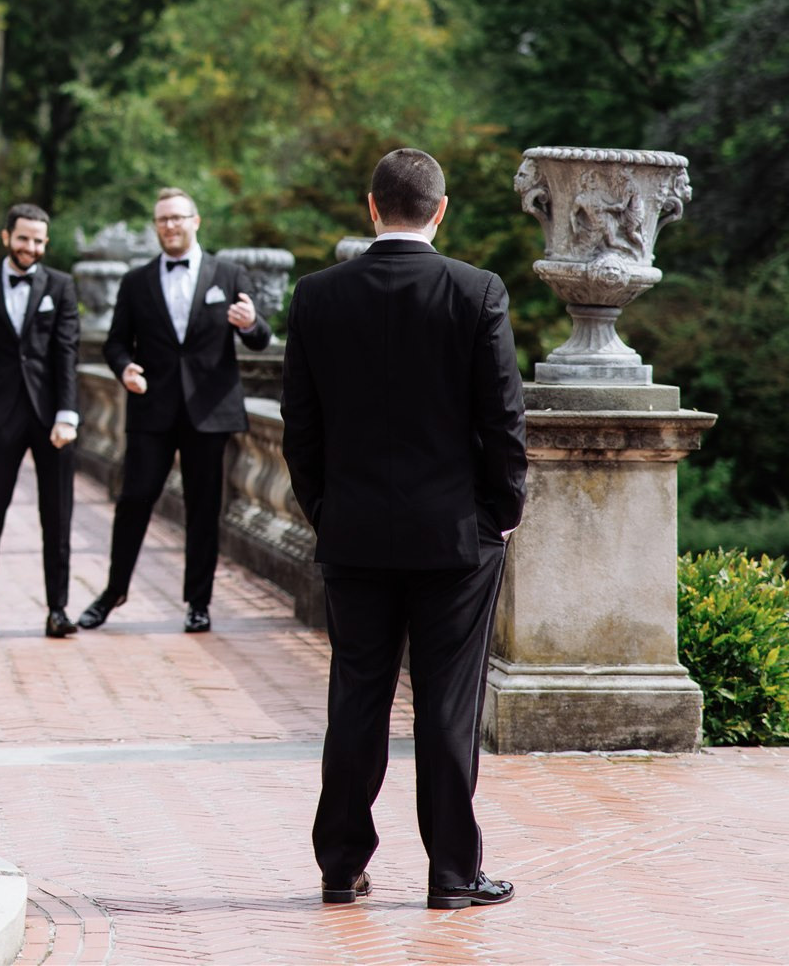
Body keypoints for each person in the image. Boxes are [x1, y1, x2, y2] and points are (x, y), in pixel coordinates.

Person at [281, 148, 528, 911]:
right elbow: (502, 419)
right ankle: (452, 871)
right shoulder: (476, 290)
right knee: (447, 706)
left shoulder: (318, 295)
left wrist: (326, 510)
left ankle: (340, 863)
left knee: (357, 697)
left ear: (371, 205)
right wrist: (503, 512)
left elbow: (301, 427)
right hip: (455, 537)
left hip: (354, 532)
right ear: (441, 209)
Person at [80, 187, 272, 634]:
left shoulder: (230, 273)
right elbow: (113, 343)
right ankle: (114, 591)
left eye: (177, 218)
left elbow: (261, 339)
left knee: (204, 509)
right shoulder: (136, 281)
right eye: (162, 219)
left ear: (196, 221)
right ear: (156, 227)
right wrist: (125, 368)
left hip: (210, 412)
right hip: (152, 410)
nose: (170, 225)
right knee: (133, 500)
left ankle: (198, 603)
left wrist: (251, 324)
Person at [0, 202, 83, 640]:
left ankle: (58, 609)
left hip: (52, 419)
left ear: (46, 243)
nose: (31, 247)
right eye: (24, 238)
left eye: (39, 240)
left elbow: (68, 354)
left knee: (58, 514)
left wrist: (68, 415)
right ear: (6, 237)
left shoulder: (63, 287)